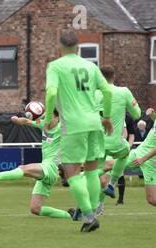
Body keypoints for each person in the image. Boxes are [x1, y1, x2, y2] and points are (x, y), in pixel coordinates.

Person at [44, 30, 113, 232]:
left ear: (60, 46)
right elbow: (107, 90)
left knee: (71, 171)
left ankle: (89, 216)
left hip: (73, 125)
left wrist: (48, 118)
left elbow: (51, 93)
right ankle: (89, 211)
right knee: (92, 170)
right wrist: (107, 117)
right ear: (77, 46)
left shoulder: (55, 66)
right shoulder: (90, 66)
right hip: (94, 122)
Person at [0, 111, 75, 220]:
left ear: (57, 118)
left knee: (23, 169)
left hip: (51, 167)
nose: (47, 119)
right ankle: (71, 216)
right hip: (47, 169)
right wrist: (16, 120)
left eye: (50, 116)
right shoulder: (44, 124)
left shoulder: (63, 128)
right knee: (35, 209)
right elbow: (27, 121)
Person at [94, 66, 141, 215]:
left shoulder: (92, 94)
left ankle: (97, 205)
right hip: (115, 142)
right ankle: (112, 185)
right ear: (114, 77)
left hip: (95, 145)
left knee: (98, 176)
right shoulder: (123, 92)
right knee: (126, 150)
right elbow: (137, 114)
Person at [115, 113, 136, 205]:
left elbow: (131, 134)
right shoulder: (108, 113)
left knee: (120, 171)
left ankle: (120, 199)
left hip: (121, 148)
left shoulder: (128, 118)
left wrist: (128, 147)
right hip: (108, 146)